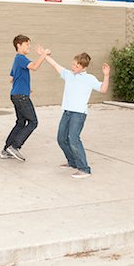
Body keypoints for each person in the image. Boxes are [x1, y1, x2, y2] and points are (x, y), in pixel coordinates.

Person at [41, 50, 110, 178]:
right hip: (67, 112)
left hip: (78, 114)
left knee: (73, 139)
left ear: (84, 67)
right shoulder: (68, 74)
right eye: (73, 64)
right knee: (61, 138)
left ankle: (84, 169)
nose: (73, 67)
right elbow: (55, 65)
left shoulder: (89, 79)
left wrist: (106, 75)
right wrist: (44, 55)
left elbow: (103, 89)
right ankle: (72, 162)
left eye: (77, 66)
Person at [0, 35, 50, 162]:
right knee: (33, 122)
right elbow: (34, 67)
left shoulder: (16, 60)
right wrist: (43, 54)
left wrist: (25, 86)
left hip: (16, 94)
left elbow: (11, 78)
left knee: (21, 122)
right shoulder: (21, 58)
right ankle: (15, 146)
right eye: (27, 44)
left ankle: (6, 150)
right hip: (21, 96)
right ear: (19, 45)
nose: (29, 47)